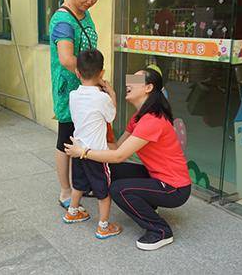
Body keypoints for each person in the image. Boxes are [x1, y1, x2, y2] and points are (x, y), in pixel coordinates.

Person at [64, 68, 191, 251]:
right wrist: (89, 134)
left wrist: (83, 152)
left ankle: (160, 231)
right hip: (156, 176)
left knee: (119, 189)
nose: (128, 83)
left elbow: (119, 156)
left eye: (135, 80)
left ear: (148, 87)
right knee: (108, 170)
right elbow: (115, 147)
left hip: (174, 188)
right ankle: (148, 203)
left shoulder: (152, 120)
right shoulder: (138, 118)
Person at [49, 0, 105, 208]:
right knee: (66, 138)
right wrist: (96, 79)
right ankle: (65, 191)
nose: (89, 2)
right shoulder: (63, 19)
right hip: (71, 89)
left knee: (85, 135)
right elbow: (66, 58)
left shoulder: (85, 12)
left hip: (88, 85)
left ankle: (83, 184)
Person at [63, 49, 122, 239]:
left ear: (77, 73)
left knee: (78, 183)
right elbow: (111, 116)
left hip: (77, 149)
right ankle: (103, 226)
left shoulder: (73, 95)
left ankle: (73, 212)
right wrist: (111, 93)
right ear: (102, 73)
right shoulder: (102, 98)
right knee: (103, 191)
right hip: (95, 154)